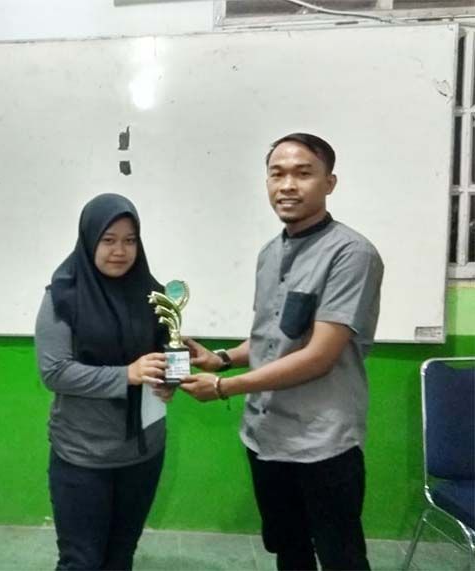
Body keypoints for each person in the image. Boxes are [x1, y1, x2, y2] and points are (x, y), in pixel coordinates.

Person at [180, 133, 384, 571]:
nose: (287, 185)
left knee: (341, 556)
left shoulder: (352, 254)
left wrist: (224, 387)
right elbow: (273, 338)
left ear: (329, 183)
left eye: (302, 173)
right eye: (277, 174)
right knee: (288, 549)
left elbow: (319, 355)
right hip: (264, 436)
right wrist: (221, 359)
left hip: (321, 441)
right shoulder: (270, 253)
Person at [35, 193, 172, 571]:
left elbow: (160, 359)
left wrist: (169, 379)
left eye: (130, 240)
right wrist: (126, 374)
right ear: (89, 240)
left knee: (120, 558)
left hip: (143, 452)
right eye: (108, 240)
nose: (120, 251)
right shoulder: (63, 296)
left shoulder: (154, 296)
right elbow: (54, 371)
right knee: (81, 562)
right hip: (83, 455)